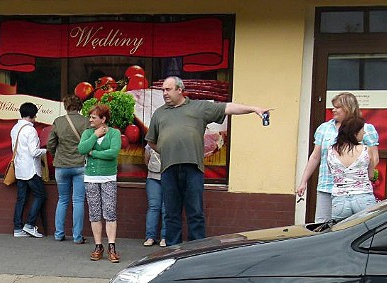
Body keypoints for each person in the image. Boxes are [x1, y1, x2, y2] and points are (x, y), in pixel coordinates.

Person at [146, 76, 270, 245]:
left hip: (193, 169)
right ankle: (172, 253)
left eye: (168, 89)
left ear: (180, 90)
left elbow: (228, 108)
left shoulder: (199, 107)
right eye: (163, 90)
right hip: (169, 169)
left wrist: (254, 108)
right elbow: (152, 141)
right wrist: (167, 150)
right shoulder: (159, 113)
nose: (164, 93)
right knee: (171, 214)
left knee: (195, 213)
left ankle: (196, 251)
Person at [297, 92, 380, 222]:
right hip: (326, 186)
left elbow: (374, 157)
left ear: (348, 108)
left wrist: (359, 172)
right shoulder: (324, 128)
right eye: (333, 106)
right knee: (322, 225)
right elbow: (315, 157)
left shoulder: (365, 129)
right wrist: (303, 181)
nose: (333, 110)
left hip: (355, 190)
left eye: (337, 107)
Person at [78, 103, 121, 262]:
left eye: (93, 117)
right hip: (90, 177)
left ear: (103, 119)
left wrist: (94, 153)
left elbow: (113, 153)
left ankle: (111, 246)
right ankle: (98, 245)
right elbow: (82, 149)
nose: (90, 119)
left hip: (108, 177)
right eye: (90, 117)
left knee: (110, 212)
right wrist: (95, 135)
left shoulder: (114, 133)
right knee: (94, 212)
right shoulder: (88, 133)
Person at [47, 95, 89, 244]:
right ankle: (77, 237)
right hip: (79, 165)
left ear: (66, 106)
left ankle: (59, 234)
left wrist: (56, 155)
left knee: (62, 200)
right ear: (80, 106)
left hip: (61, 166)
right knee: (78, 201)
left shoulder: (58, 122)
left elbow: (50, 143)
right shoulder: (86, 122)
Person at [326, 116, 378, 221]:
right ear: (354, 133)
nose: (363, 133)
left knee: (340, 232)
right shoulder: (365, 150)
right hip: (363, 197)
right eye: (362, 131)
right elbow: (371, 175)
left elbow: (331, 171)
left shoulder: (331, 150)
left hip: (339, 199)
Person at [11, 102, 47, 238]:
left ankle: (17, 228)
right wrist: (46, 151)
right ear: (33, 115)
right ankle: (30, 225)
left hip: (19, 168)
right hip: (31, 169)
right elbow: (34, 152)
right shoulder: (30, 130)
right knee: (41, 195)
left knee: (21, 198)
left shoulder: (15, 128)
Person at [144, 146, 167, 247]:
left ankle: (165, 237)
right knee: (154, 207)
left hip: (169, 177)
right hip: (153, 177)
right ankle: (150, 237)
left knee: (166, 208)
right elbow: (146, 158)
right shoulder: (150, 143)